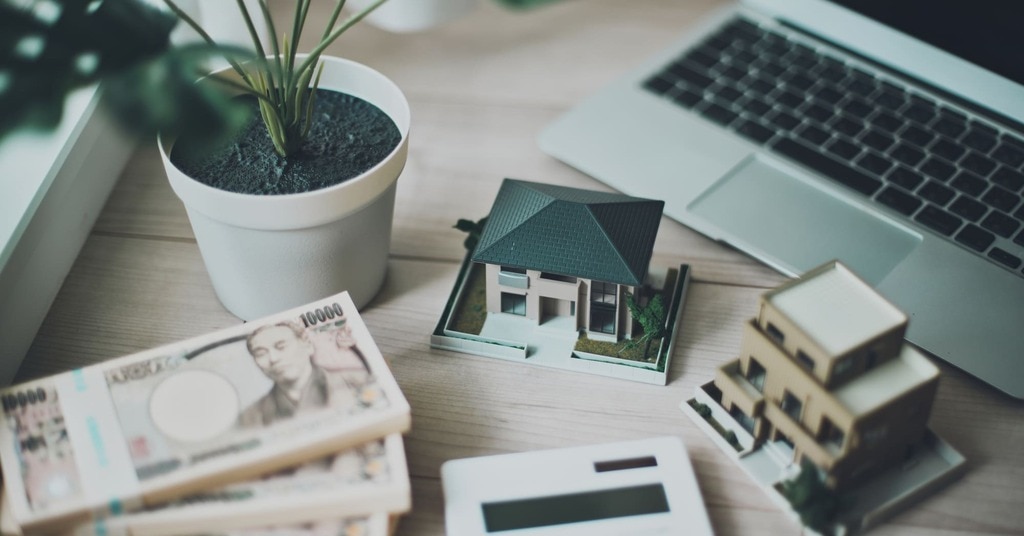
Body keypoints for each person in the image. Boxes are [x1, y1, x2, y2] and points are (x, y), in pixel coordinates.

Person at [239, 321, 358, 428]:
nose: (273, 358)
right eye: (261, 353)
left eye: (281, 347)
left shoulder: (358, 381)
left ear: (307, 345)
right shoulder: (249, 418)